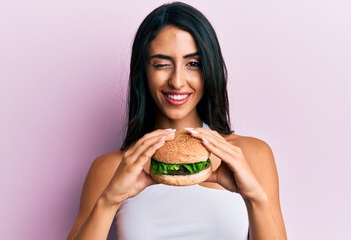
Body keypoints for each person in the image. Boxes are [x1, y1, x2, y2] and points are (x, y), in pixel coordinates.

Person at [67, 2, 287, 239]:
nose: (177, 81)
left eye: (193, 64)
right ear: (144, 71)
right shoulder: (112, 167)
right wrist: (109, 200)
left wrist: (255, 197)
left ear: (209, 69)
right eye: (162, 64)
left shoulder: (251, 154)